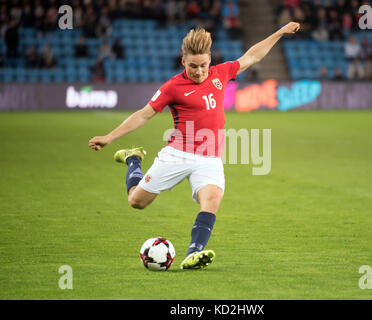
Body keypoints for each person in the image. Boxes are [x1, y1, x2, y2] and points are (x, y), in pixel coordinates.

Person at [88, 21, 301, 270]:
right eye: (192, 66)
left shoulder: (221, 73)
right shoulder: (172, 87)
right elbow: (144, 114)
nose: (199, 71)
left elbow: (252, 56)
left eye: (203, 65)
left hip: (209, 158)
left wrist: (279, 32)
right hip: (177, 154)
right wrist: (110, 137)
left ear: (210, 59)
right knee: (137, 202)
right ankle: (133, 159)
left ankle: (193, 253)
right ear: (183, 62)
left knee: (212, 198)